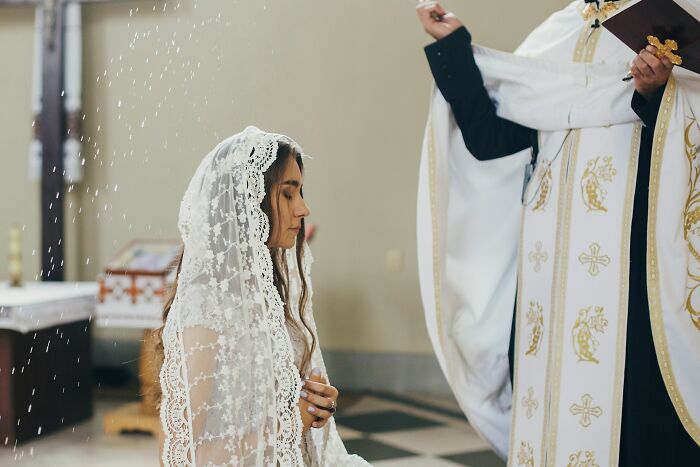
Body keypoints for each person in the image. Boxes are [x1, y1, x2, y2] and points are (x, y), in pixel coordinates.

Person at [415, 1, 700, 465]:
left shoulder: (671, 21)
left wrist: (655, 92)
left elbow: (686, 143)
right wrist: (454, 47)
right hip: (545, 288)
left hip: (630, 279)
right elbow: (493, 138)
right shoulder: (559, 31)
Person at [157, 126, 369, 466]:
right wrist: (291, 422)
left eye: (300, 192)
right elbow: (186, 455)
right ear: (248, 200)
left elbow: (262, 403)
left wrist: (311, 401)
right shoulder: (206, 304)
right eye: (288, 194)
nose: (303, 208)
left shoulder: (270, 288)